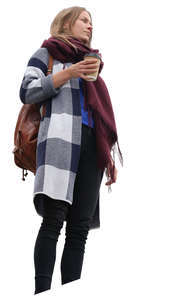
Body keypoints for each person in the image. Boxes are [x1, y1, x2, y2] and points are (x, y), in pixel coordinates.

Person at [19, 6, 123, 294]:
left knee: (79, 230)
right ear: (66, 22)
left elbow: (98, 116)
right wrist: (68, 74)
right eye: (84, 20)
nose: (90, 27)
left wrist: (109, 157)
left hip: (92, 148)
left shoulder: (91, 65)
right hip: (60, 143)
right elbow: (27, 91)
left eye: (92, 23)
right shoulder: (48, 53)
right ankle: (42, 292)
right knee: (53, 221)